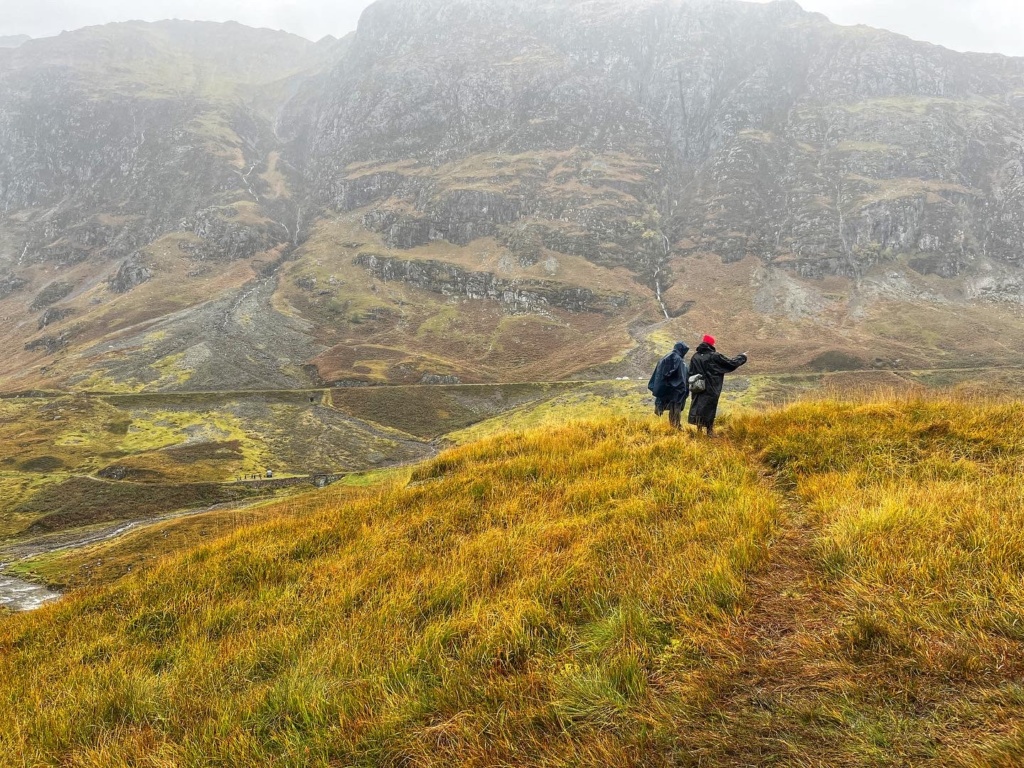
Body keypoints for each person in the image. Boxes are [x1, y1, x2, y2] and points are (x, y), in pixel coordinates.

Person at [687, 335, 747, 436]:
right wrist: (742, 357)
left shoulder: (695, 356)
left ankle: (699, 431)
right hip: (711, 387)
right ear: (711, 344)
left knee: (698, 406)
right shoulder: (714, 356)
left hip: (697, 386)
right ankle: (710, 432)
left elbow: (691, 372)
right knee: (710, 408)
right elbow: (730, 363)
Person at [648, 341, 690, 429]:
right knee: (675, 408)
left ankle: (674, 426)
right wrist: (682, 389)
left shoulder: (667, 357)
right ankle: (676, 426)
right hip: (677, 390)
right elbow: (680, 376)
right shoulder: (677, 359)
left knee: (673, 408)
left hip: (669, 388)